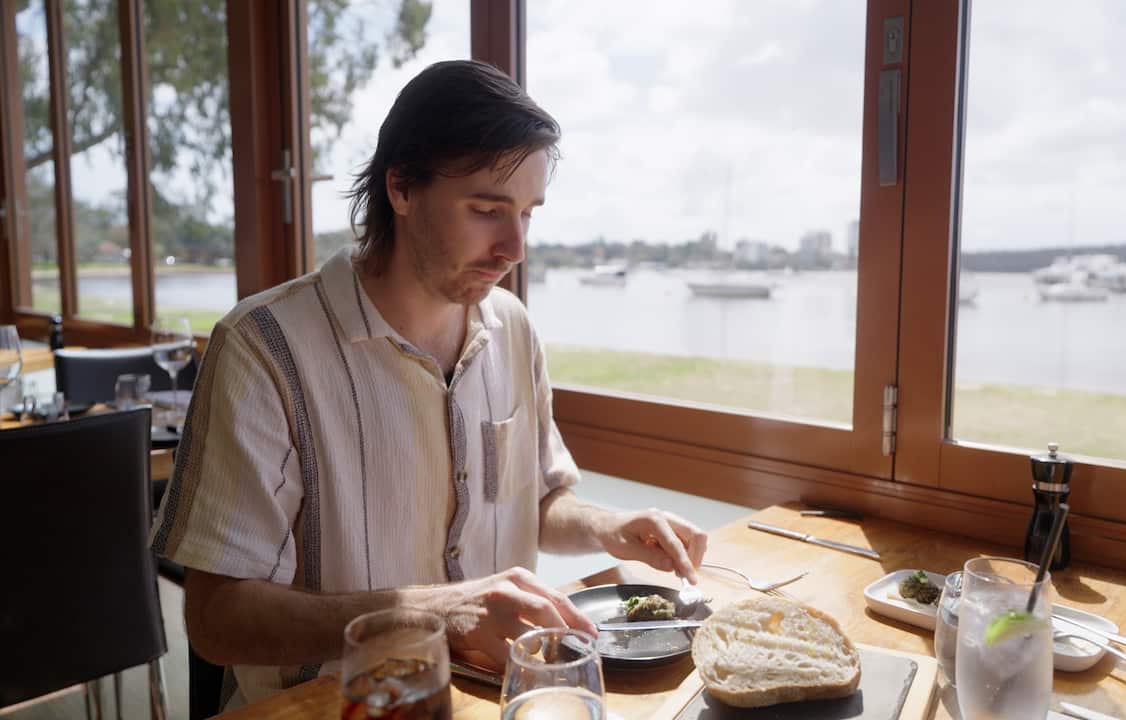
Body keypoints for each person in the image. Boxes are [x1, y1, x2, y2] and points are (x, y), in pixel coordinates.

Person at [150, 60, 708, 709]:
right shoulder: (265, 347)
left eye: (527, 213)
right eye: (486, 210)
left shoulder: (513, 328)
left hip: (487, 698)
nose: (515, 246)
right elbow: (219, 620)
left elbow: (540, 503)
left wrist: (611, 526)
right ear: (402, 188)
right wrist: (434, 612)